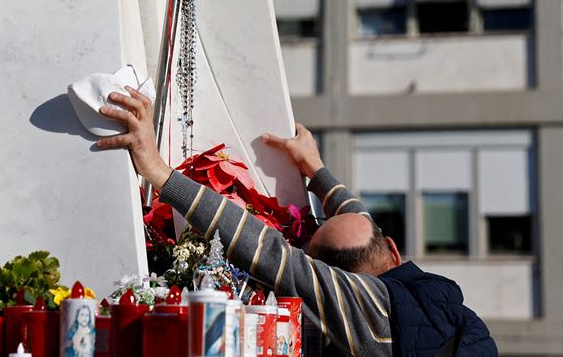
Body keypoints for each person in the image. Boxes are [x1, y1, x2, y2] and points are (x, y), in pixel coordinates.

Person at [96, 87, 497, 356]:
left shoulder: (371, 309)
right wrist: (316, 170)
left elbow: (274, 257)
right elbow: (358, 221)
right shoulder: (432, 300)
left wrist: (159, 173)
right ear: (390, 249)